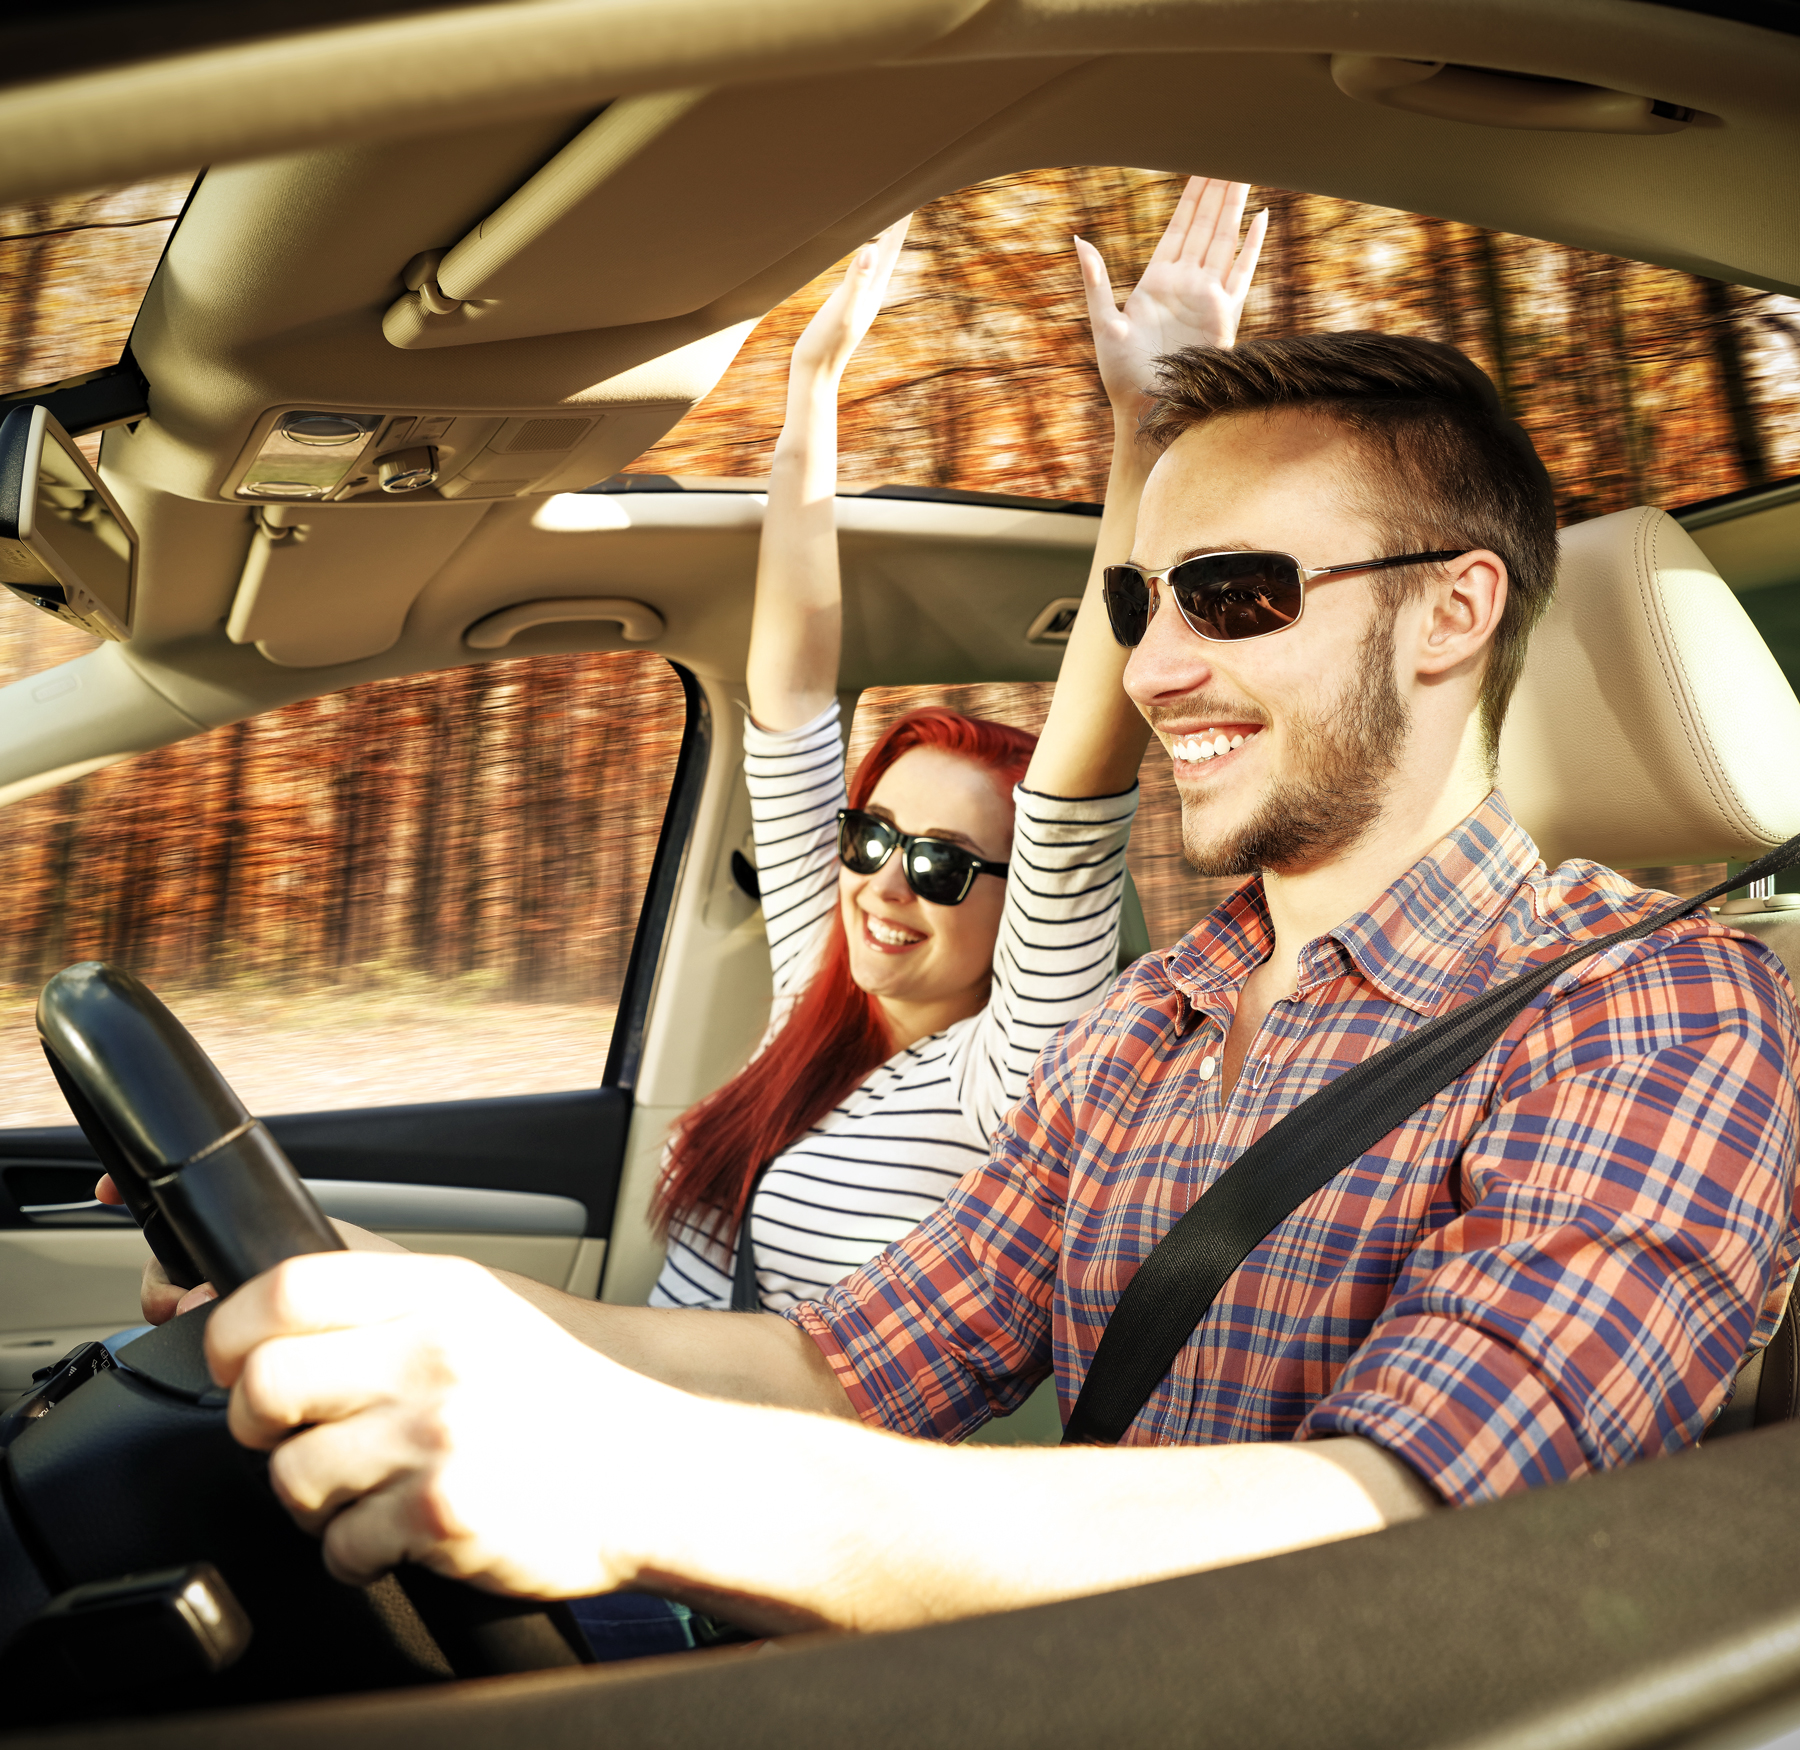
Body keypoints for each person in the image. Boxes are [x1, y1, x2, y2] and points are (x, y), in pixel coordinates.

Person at [171, 214, 1800, 1641]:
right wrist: (408, 1303)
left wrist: (652, 1486)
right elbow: (837, 1367)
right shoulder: (1153, 1025)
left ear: (1453, 611)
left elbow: (1388, 1523)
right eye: (1134, 605)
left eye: (1236, 596)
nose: (1158, 668)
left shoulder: (1669, 1017)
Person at [648, 181, 1257, 1313]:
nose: (887, 883)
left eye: (939, 865)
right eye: (874, 837)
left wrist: (1150, 432)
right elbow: (788, 680)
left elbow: (1078, 803)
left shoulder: (1004, 1079)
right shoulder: (814, 988)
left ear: (1012, 908)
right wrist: (814, 386)